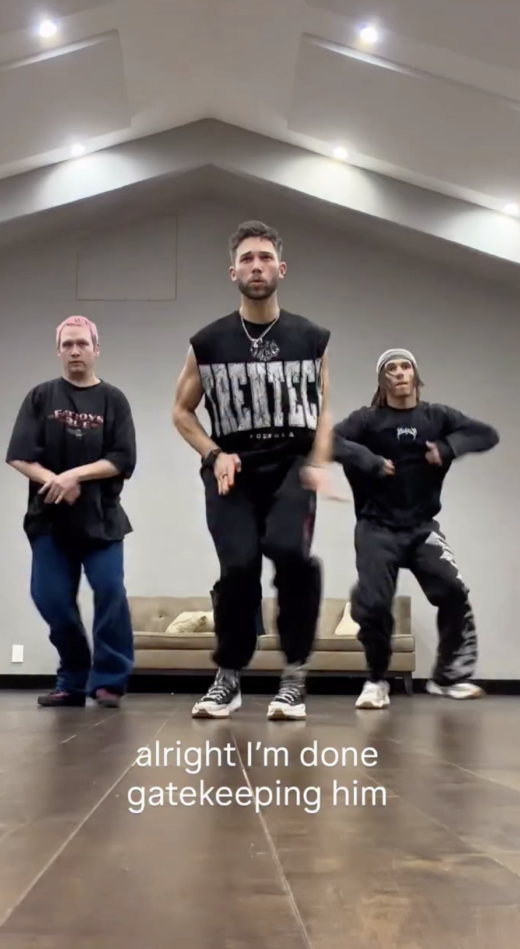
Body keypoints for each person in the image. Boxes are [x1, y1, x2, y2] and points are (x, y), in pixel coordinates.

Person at [173, 220, 334, 720]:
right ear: (233, 272)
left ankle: (294, 674)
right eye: (247, 259)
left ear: (281, 268)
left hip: (291, 466)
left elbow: (324, 410)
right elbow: (181, 411)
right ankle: (229, 675)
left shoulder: (312, 337)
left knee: (290, 554)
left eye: (265, 257)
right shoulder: (207, 342)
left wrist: (318, 463)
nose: (256, 266)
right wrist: (213, 454)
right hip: (233, 469)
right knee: (239, 567)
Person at [333, 348, 499, 709]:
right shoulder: (367, 420)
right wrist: (368, 459)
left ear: (415, 375)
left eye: (405, 366)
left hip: (422, 528)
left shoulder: (436, 417)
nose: (398, 372)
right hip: (376, 528)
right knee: (376, 605)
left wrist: (449, 448)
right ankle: (376, 680)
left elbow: (486, 434)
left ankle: (447, 677)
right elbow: (327, 442)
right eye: (390, 368)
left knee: (453, 591)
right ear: (382, 380)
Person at [6, 316, 136, 709]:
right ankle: (74, 678)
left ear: (96, 349)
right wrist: (55, 480)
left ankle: (109, 682)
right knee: (49, 599)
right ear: (58, 351)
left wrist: (74, 475)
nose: (75, 351)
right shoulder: (40, 397)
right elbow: (18, 455)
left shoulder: (113, 399)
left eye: (82, 343)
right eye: (67, 344)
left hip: (101, 520)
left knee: (110, 592)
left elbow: (122, 458)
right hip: (49, 521)